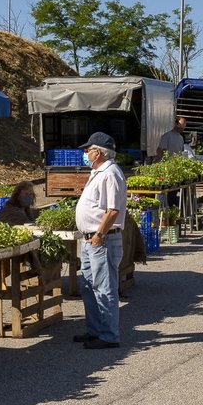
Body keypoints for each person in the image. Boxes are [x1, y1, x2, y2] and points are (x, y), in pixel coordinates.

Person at [74, 132, 127, 349]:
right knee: (88, 287)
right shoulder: (97, 172)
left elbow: (113, 210)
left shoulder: (110, 173)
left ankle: (108, 335)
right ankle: (95, 330)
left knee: (104, 288)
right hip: (90, 239)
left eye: (89, 150)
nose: (86, 153)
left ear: (100, 152)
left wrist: (99, 235)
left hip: (101, 239)